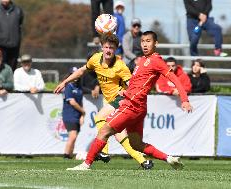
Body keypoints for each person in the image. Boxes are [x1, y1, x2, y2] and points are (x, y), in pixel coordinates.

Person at [63, 31, 193, 171]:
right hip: (139, 107)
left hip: (132, 105)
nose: (144, 44)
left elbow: (174, 79)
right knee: (136, 144)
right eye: (143, 41)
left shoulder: (156, 61)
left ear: (156, 43)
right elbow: (137, 83)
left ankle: (86, 164)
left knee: (104, 131)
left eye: (148, 41)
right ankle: (169, 158)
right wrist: (126, 91)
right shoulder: (142, 60)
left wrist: (184, 100)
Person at [54, 34, 152, 169]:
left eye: (111, 47)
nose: (108, 50)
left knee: (100, 116)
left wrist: (126, 93)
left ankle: (104, 152)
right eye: (106, 47)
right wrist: (65, 82)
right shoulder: (95, 59)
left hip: (122, 101)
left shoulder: (120, 66)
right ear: (101, 47)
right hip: (111, 102)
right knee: (120, 136)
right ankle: (144, 161)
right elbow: (81, 71)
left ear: (116, 49)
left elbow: (133, 86)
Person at [0, 0, 24, 71]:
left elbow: (20, 24)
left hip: (14, 45)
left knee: (11, 70)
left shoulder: (18, 11)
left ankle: (9, 82)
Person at [62, 67, 85, 159]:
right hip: (69, 115)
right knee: (73, 136)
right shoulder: (68, 86)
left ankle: (70, 155)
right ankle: (66, 155)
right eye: (73, 74)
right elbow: (72, 102)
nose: (76, 76)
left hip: (77, 115)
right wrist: (83, 111)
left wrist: (82, 115)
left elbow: (80, 102)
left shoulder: (78, 87)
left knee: (74, 137)